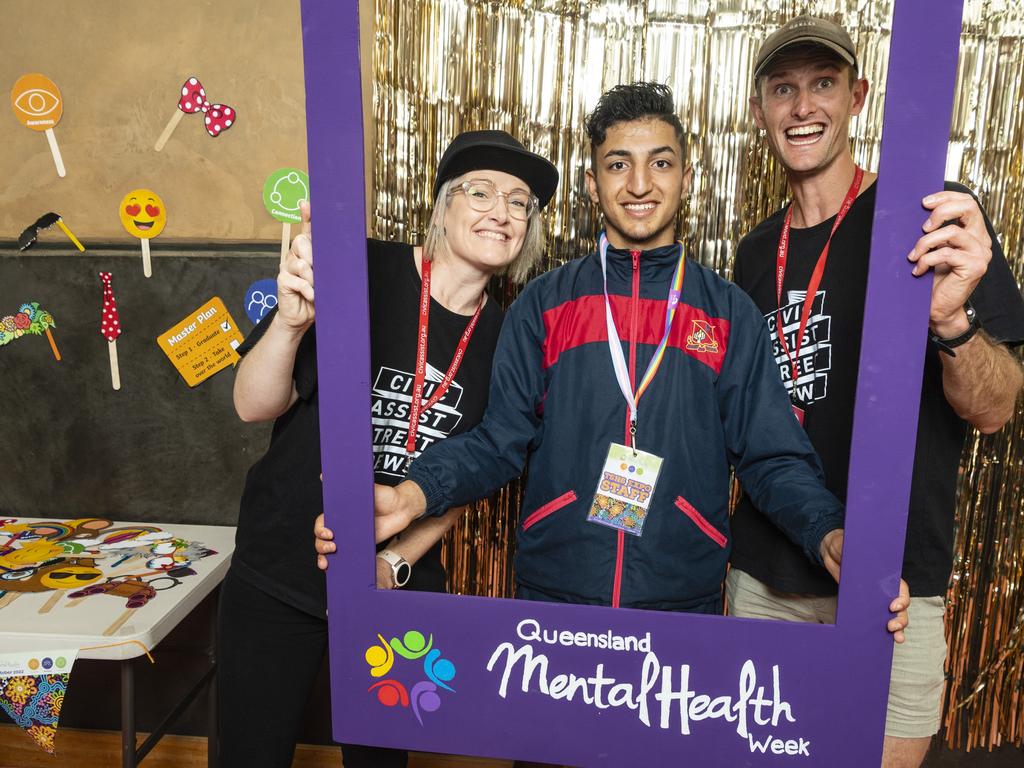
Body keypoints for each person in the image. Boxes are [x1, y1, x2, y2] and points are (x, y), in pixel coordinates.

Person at [362, 82, 881, 615]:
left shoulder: (728, 313)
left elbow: (772, 456)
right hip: (554, 597)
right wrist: (412, 493)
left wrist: (826, 530)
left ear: (686, 178)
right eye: (617, 165)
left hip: (683, 601)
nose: (639, 184)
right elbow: (498, 442)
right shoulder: (544, 305)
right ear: (592, 183)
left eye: (660, 164)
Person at [726, 16, 1024, 768]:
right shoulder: (754, 254)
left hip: (894, 585)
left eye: (822, 84)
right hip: (764, 577)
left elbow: (995, 408)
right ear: (758, 109)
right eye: (783, 88)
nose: (802, 107)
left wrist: (951, 319)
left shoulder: (931, 219)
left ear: (858, 95)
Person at [217, 130, 559, 768]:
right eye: (480, 191)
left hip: (394, 593)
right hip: (277, 571)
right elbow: (251, 404)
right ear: (443, 207)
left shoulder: (513, 338)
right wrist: (291, 323)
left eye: (519, 203)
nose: (500, 211)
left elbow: (475, 475)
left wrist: (394, 563)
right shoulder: (361, 268)